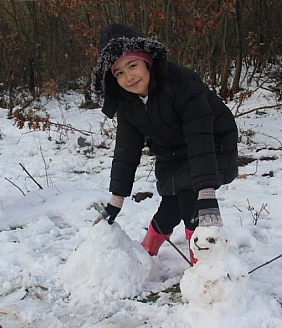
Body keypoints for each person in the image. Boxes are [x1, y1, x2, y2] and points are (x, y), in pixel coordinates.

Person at [91, 23, 238, 264]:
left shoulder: (181, 84)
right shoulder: (127, 102)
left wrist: (207, 193)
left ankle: (203, 266)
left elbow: (200, 139)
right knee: (171, 205)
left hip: (213, 142)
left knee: (191, 201)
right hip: (171, 152)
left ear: (146, 60)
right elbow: (126, 151)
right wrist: (115, 201)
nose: (129, 77)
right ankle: (144, 254)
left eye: (132, 65)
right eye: (119, 72)